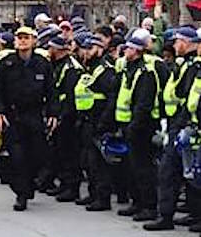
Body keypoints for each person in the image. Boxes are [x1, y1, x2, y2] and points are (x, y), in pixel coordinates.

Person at [0, 26, 56, 211]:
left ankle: (29, 185)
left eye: (26, 38)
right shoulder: (6, 63)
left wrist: (52, 113)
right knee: (16, 157)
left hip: (34, 115)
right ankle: (21, 194)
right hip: (13, 116)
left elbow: (51, 91)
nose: (22, 41)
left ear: (34, 40)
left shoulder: (42, 63)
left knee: (37, 155)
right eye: (19, 38)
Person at [145, 27, 200, 231]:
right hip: (178, 121)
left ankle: (170, 215)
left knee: (173, 171)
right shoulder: (185, 64)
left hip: (184, 123)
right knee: (181, 171)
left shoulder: (193, 66)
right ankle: (190, 214)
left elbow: (187, 97)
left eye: (178, 42)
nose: (175, 46)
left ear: (188, 43)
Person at [115, 33, 159, 222]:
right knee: (133, 167)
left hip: (141, 127)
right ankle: (137, 202)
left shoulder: (145, 73)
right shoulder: (129, 69)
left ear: (138, 51)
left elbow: (144, 103)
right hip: (128, 124)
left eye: (129, 48)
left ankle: (149, 206)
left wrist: (134, 126)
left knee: (143, 168)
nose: (126, 51)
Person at [74, 35, 118, 211]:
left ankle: (102, 197)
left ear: (99, 49)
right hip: (87, 120)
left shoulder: (104, 70)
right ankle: (93, 194)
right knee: (89, 161)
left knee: (98, 163)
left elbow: (111, 98)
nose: (85, 52)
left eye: (90, 48)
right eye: (85, 48)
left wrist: (104, 122)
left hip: (99, 121)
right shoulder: (91, 69)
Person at [48, 36, 84, 202]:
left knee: (70, 153)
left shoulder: (71, 68)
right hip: (58, 114)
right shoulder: (56, 65)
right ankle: (63, 183)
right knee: (59, 151)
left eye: (51, 48)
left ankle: (72, 187)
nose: (49, 51)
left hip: (68, 116)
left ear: (58, 49)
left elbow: (70, 95)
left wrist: (63, 116)